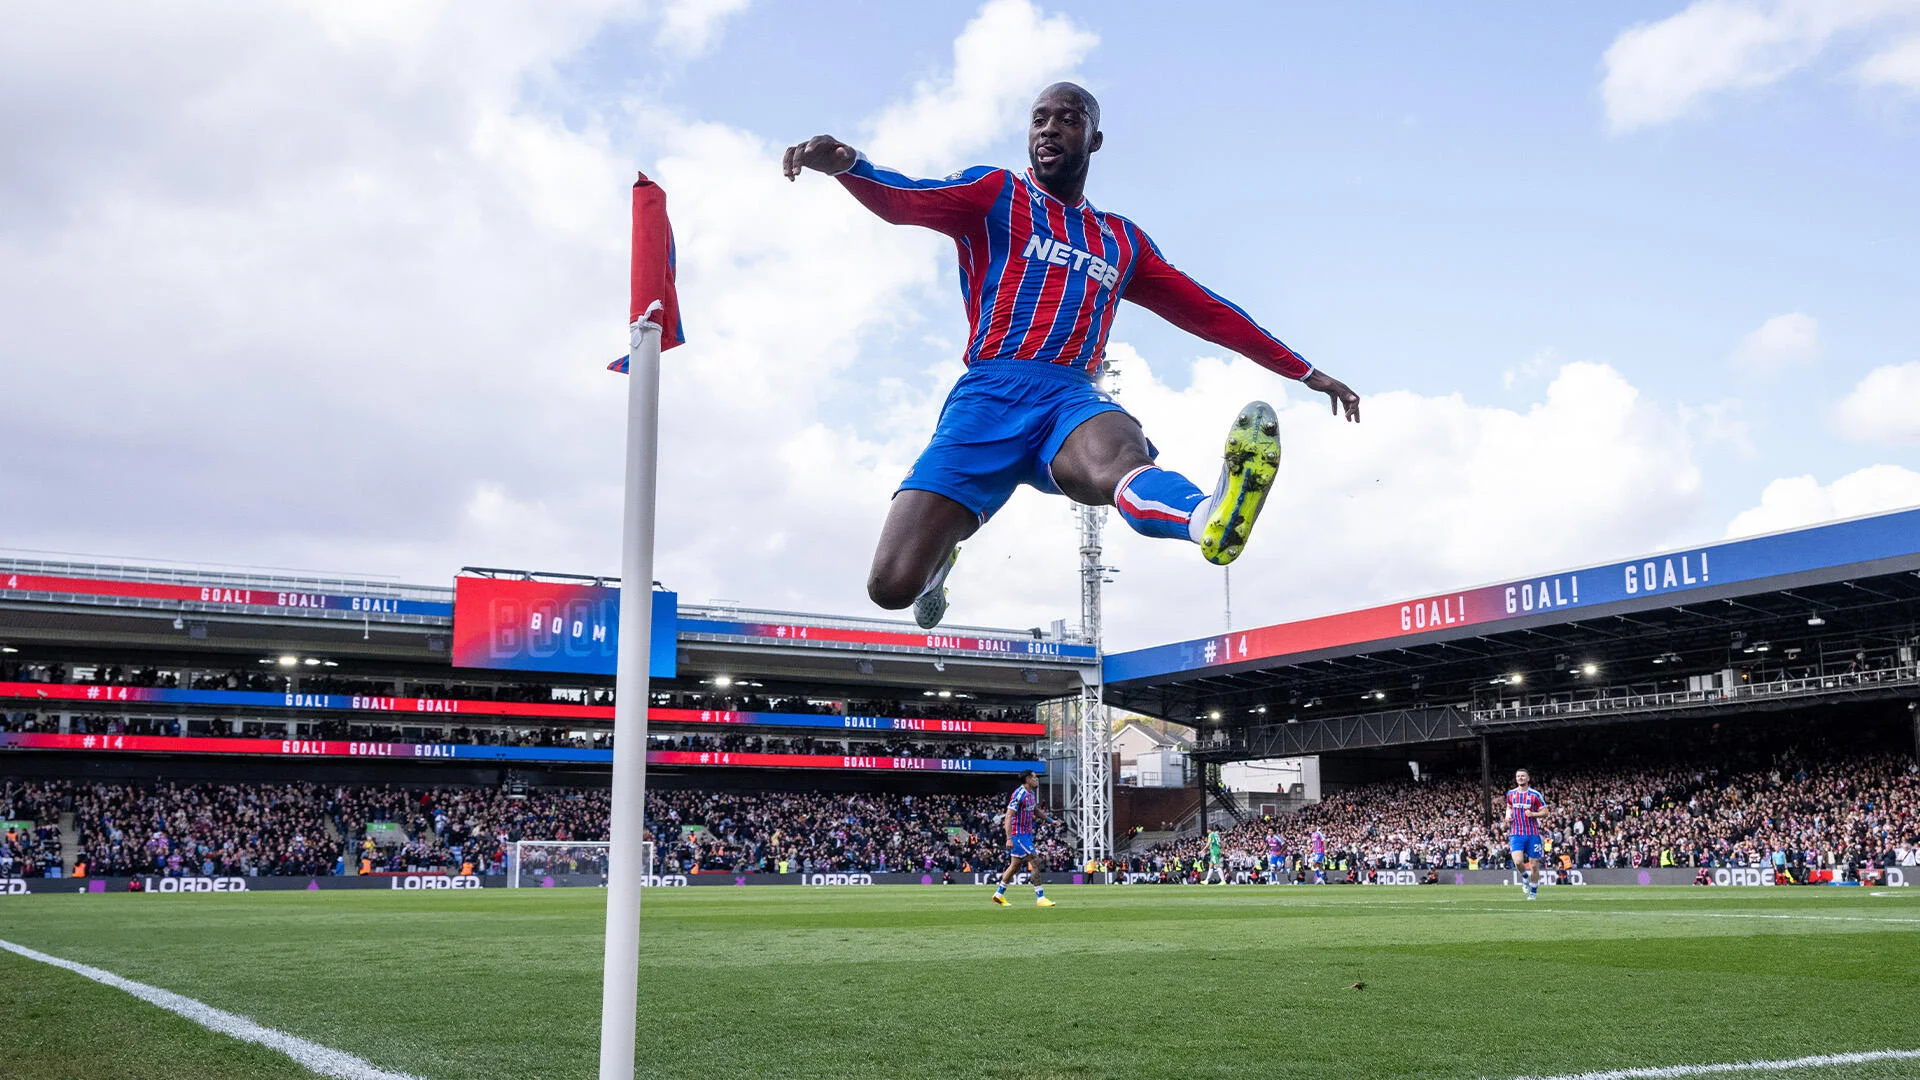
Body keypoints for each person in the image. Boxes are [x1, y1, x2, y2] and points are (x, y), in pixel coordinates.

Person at [783, 82, 1361, 628]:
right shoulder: (995, 194)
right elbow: (909, 198)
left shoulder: (1121, 240)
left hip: (1070, 397)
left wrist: (1306, 371)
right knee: (890, 587)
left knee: (1121, 461)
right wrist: (850, 166)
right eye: (1039, 119)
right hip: (989, 397)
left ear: (1094, 139)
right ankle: (938, 562)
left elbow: (1207, 311)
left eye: (1067, 119)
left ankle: (1207, 517)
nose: (1050, 128)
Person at [993, 770, 1054, 907]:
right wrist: (1009, 838)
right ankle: (1040, 897)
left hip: (1026, 834)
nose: (1037, 779)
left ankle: (999, 894)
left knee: (1015, 866)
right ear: (1027, 779)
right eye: (1034, 777)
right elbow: (1008, 816)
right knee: (1035, 860)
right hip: (1018, 834)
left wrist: (1050, 820)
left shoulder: (1031, 793)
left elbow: (1035, 810)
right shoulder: (1019, 794)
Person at [1506, 769, 1547, 900]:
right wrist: (1507, 815)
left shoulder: (1535, 795)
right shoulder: (1511, 794)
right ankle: (1524, 877)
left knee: (1534, 865)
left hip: (1532, 834)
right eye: (1518, 776)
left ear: (1528, 778)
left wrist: (1533, 814)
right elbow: (1509, 806)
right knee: (1518, 861)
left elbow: (1545, 812)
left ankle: (1533, 891)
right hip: (1516, 833)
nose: (1520, 778)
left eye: (1523, 776)